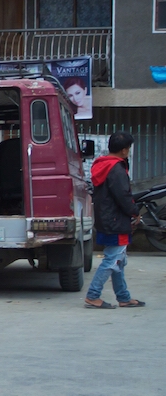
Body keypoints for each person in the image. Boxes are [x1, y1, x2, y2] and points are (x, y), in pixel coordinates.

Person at [87, 132, 144, 309]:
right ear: (124, 150)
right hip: (116, 220)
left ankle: (123, 297)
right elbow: (123, 196)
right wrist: (135, 212)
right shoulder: (117, 169)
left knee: (119, 259)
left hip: (106, 218)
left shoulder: (102, 165)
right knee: (113, 259)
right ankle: (93, 295)